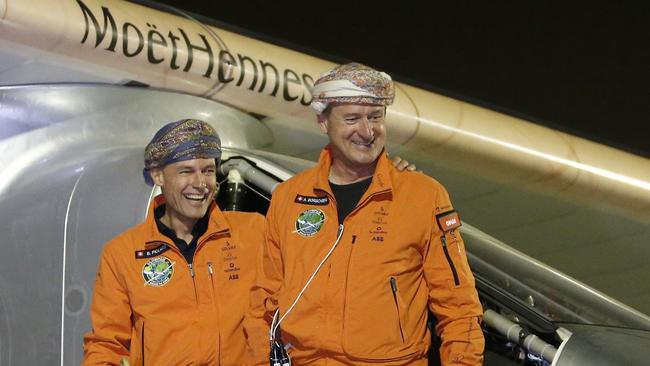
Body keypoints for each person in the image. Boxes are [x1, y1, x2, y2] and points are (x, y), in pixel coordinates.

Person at [244, 63, 485, 365]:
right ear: (323, 122)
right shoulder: (288, 197)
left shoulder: (424, 196)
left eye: (375, 117)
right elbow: (262, 300)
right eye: (352, 118)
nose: (366, 131)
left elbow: (459, 307)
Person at [83, 119, 266, 365]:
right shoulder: (122, 254)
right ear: (158, 175)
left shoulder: (254, 232)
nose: (200, 184)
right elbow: (106, 345)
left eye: (208, 171)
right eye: (186, 171)